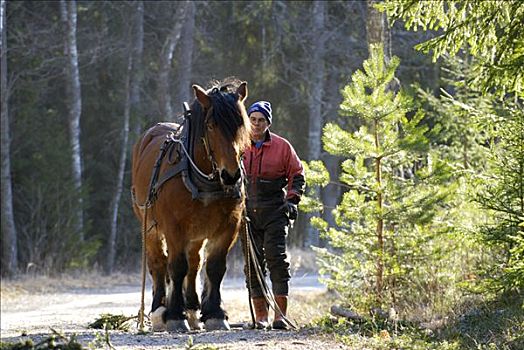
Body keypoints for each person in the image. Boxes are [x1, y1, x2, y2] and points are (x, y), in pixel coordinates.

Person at [242, 100, 305, 330]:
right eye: (253, 120)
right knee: (252, 264)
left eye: (261, 120)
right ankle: (261, 316)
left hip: (275, 211)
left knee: (276, 259)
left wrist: (292, 200)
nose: (257, 124)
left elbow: (297, 174)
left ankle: (280, 316)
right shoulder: (238, 144)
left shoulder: (282, 146)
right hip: (246, 213)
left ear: (268, 123)